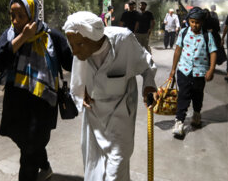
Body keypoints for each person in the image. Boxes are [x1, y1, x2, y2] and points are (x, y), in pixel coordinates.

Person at [62, 11, 157, 181]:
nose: (74, 51)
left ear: (95, 38)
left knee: (117, 166)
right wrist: (81, 90)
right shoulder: (80, 47)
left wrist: (149, 85)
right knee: (93, 164)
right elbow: (78, 77)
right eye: (71, 45)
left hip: (120, 112)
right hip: (93, 113)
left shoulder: (124, 40)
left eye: (79, 45)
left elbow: (146, 65)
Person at [0, 0, 73, 181]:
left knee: (30, 151)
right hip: (16, 100)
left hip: (42, 103)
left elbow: (72, 63)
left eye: (21, 16)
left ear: (32, 15)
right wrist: (23, 38)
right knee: (23, 141)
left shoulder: (51, 37)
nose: (15, 21)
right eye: (12, 15)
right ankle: (44, 165)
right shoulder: (10, 35)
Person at [169, 7, 217, 137]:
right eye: (192, 22)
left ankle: (196, 114)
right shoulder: (183, 33)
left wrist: (211, 69)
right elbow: (178, 51)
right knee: (183, 96)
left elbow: (213, 52)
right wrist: (173, 70)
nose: (195, 25)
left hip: (200, 73)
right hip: (184, 71)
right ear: (188, 21)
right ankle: (179, 122)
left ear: (202, 22)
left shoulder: (207, 35)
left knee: (197, 95)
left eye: (198, 22)